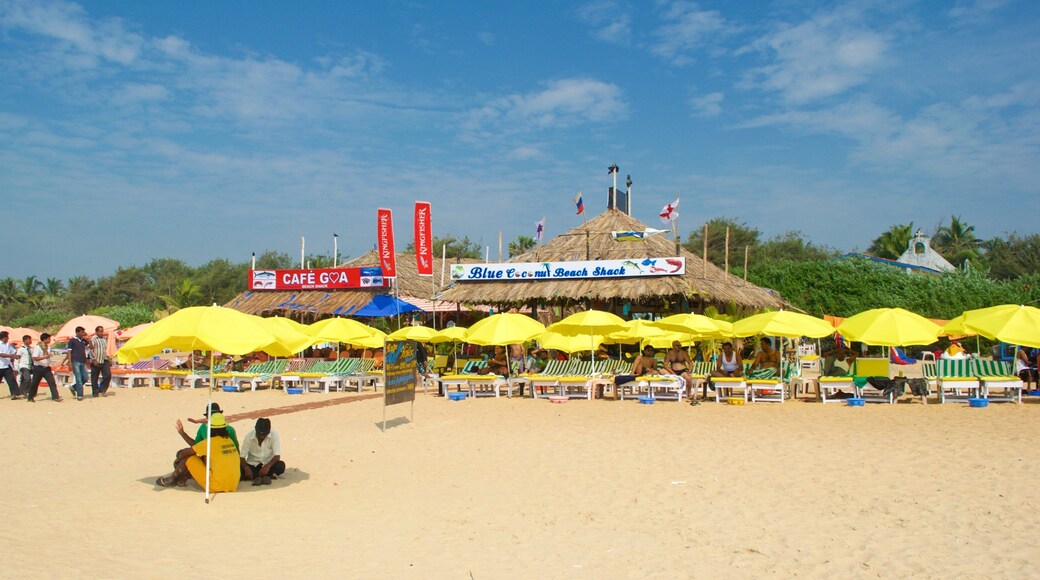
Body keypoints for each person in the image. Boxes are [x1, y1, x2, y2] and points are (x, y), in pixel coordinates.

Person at [156, 412, 241, 492]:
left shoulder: (210, 443)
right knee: (204, 458)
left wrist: (178, 459)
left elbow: (185, 453)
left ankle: (172, 479)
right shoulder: (229, 440)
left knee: (189, 458)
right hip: (233, 485)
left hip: (216, 485)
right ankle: (182, 478)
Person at [239, 417, 285, 486]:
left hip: (268, 464)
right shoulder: (248, 436)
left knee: (281, 466)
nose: (262, 437)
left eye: (264, 435)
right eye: (259, 435)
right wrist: (246, 468)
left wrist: (268, 466)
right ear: (255, 429)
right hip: (253, 465)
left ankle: (258, 477)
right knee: (239, 468)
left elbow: (277, 456)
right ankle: (267, 476)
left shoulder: (274, 434)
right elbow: (242, 457)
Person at [27, 333, 61, 402]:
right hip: (38, 368)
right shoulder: (38, 347)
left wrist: (49, 357)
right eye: (48, 339)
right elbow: (34, 358)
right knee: (35, 383)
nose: (50, 340)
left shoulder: (48, 347)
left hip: (46, 367)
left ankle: (55, 397)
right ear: (44, 339)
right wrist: (44, 357)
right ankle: (30, 396)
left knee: (52, 382)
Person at [60, 326, 90, 400]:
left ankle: (73, 387)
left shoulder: (83, 340)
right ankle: (80, 394)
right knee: (78, 378)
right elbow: (69, 352)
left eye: (83, 332)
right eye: (82, 332)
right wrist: (69, 363)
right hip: (75, 361)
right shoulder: (72, 340)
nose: (83, 334)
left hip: (83, 361)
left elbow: (91, 347)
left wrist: (89, 340)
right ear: (77, 332)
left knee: (85, 377)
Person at [88, 325, 111, 397]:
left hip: (104, 359)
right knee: (94, 377)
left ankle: (102, 389)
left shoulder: (104, 339)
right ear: (96, 332)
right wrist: (93, 359)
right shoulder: (93, 339)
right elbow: (91, 349)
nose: (102, 333)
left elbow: (104, 349)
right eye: (100, 332)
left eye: (102, 331)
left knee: (108, 375)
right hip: (96, 360)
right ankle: (95, 392)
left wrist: (108, 357)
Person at [0, 331, 22, 399]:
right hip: (0, 365)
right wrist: (10, 356)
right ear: (3, 337)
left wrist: (16, 355)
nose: (8, 338)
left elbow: (13, 352)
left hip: (7, 365)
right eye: (7, 337)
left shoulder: (8, 345)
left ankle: (15, 394)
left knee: (11, 379)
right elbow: (1, 354)